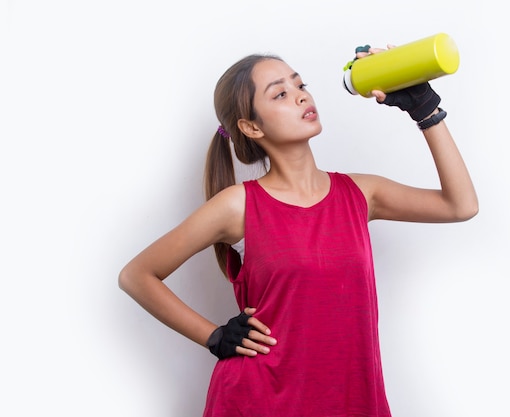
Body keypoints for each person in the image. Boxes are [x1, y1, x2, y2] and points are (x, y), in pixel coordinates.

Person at [118, 45, 478, 417]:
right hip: (260, 400)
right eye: (280, 94)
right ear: (251, 126)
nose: (301, 95)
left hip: (350, 400)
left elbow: (460, 205)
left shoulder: (361, 193)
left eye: (300, 84)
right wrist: (213, 336)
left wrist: (425, 110)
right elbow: (137, 275)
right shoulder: (238, 205)